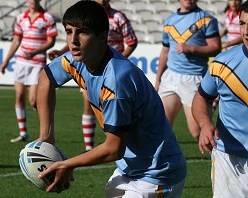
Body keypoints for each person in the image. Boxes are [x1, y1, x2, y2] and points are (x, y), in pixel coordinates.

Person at [37, 1, 186, 197]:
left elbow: (113, 149)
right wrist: (46, 135)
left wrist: (67, 164)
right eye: (69, 31)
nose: (73, 40)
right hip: (130, 169)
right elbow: (46, 78)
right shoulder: (78, 59)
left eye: (82, 32)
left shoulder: (116, 81)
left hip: (157, 174)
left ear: (102, 36)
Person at [48, 0, 138, 152]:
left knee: (113, 108)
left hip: (110, 68)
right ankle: (89, 146)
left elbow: (131, 41)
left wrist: (119, 59)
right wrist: (62, 51)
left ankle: (111, 141)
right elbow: (75, 40)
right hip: (90, 65)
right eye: (68, 32)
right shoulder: (84, 17)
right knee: (89, 105)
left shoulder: (118, 17)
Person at [192, 1, 248, 196]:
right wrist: (205, 122)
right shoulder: (223, 63)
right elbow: (202, 97)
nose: (246, 31)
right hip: (229, 160)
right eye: (242, 24)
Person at [155, 0, 222, 141]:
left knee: (198, 132)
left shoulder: (206, 19)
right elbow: (165, 52)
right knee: (160, 126)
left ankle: (221, 159)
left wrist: (191, 49)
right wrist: (158, 78)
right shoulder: (169, 21)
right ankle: (163, 161)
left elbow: (216, 47)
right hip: (170, 77)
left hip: (194, 79)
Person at [0, 0, 57, 143]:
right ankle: (23, 133)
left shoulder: (47, 18)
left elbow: (51, 41)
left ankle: (44, 130)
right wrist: (6, 60)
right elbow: (16, 40)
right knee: (19, 96)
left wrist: (35, 52)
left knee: (33, 100)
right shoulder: (21, 17)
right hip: (21, 62)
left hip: (37, 63)